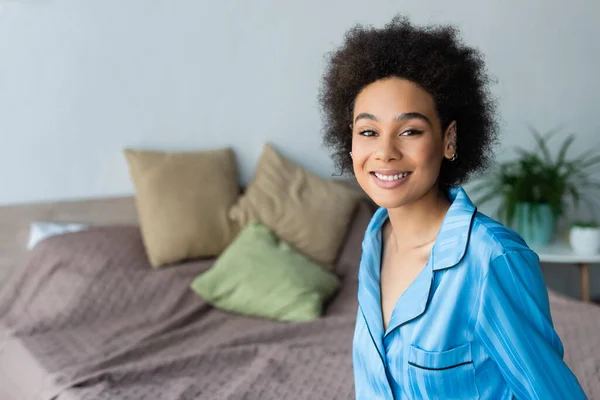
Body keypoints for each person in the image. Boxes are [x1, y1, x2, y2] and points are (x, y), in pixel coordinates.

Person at [319, 15, 586, 399]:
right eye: (368, 132)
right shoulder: (375, 238)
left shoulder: (492, 259)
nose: (385, 152)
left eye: (409, 131)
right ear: (351, 144)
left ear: (449, 140)